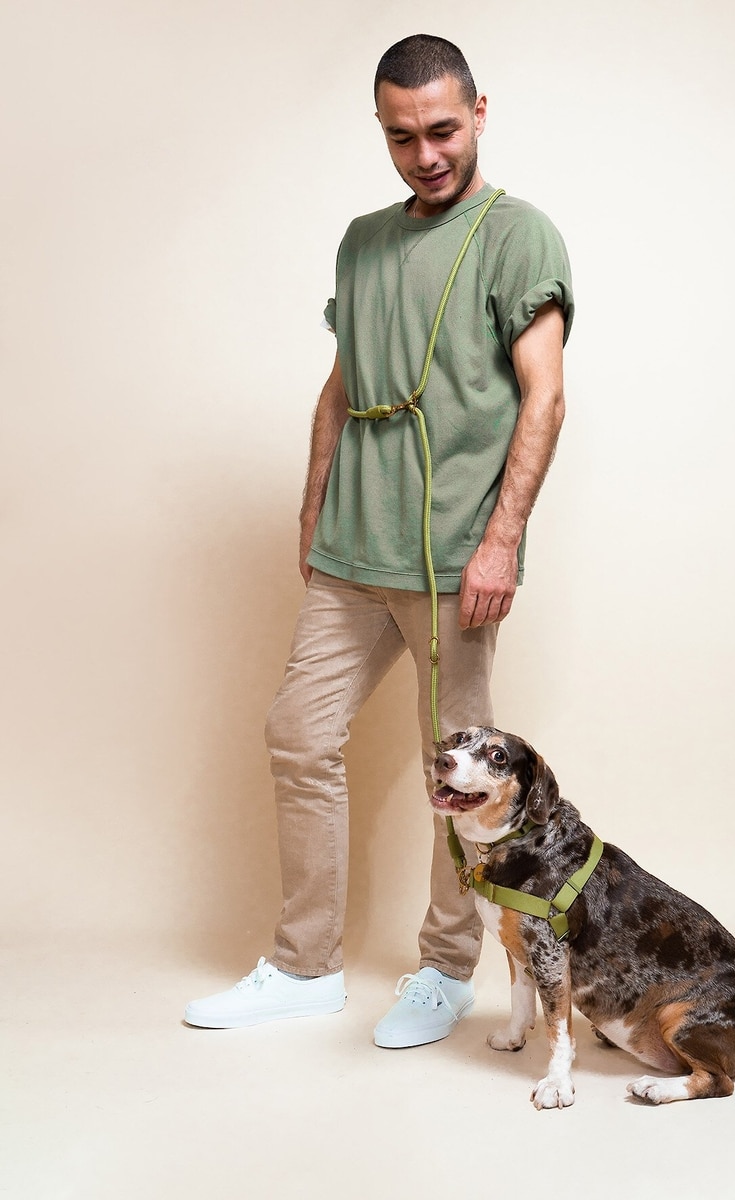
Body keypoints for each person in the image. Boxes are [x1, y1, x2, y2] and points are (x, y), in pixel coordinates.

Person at [185, 34, 574, 1047]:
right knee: (298, 735)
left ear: (479, 114)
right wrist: (312, 506)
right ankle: (304, 966)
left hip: (455, 560)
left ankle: (446, 969)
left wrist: (502, 540)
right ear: (382, 131)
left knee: (462, 778)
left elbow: (544, 395)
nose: (425, 154)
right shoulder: (362, 241)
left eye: (442, 130)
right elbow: (342, 385)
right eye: (402, 137)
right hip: (353, 554)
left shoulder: (519, 234)